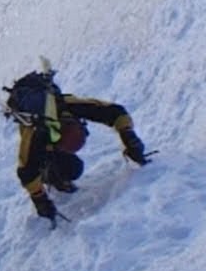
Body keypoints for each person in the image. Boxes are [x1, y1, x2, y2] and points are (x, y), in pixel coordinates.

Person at [8, 69, 150, 222]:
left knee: (69, 166)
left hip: (51, 137)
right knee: (70, 168)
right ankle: (51, 174)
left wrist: (129, 136)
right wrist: (39, 199)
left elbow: (115, 112)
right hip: (43, 139)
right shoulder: (34, 132)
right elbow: (26, 170)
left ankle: (55, 172)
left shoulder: (67, 105)